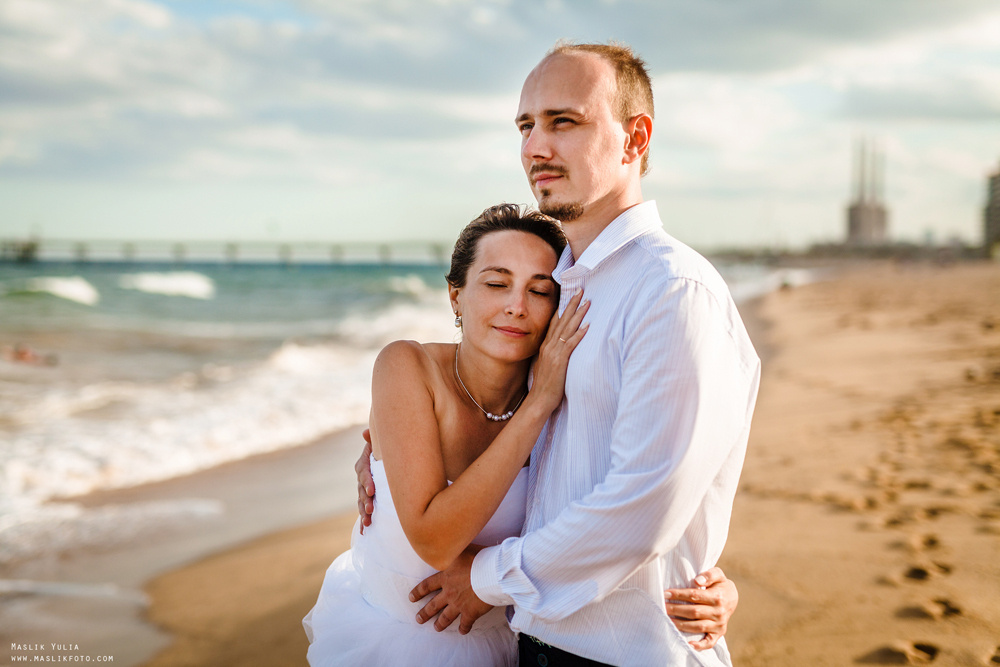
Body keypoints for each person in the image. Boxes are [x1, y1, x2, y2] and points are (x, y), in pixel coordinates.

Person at [359, 43, 759, 666]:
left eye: (563, 122)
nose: (534, 148)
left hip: (624, 651)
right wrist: (383, 445)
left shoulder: (671, 290)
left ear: (635, 138)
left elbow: (645, 501)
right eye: (526, 126)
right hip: (535, 641)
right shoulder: (560, 292)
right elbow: (528, 433)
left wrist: (487, 577)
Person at [304, 204, 591, 666]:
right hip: (390, 642)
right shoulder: (406, 366)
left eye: (539, 291)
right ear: (455, 296)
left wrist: (707, 583)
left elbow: (622, 505)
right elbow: (435, 540)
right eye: (497, 284)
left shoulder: (570, 396)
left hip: (512, 645)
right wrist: (538, 405)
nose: (517, 306)